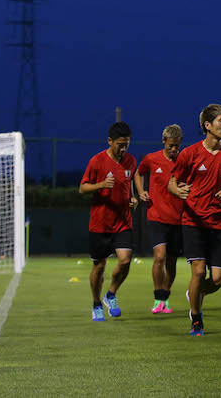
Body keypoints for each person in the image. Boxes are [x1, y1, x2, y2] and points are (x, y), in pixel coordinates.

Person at [169, 104, 221, 336]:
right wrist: (178, 191)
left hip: (219, 224)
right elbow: (172, 182)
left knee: (217, 279)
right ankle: (196, 319)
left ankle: (194, 293)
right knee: (198, 272)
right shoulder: (189, 153)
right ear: (207, 125)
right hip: (193, 222)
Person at [79, 122, 138, 322]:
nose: (123, 148)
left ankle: (110, 295)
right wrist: (102, 184)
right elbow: (82, 188)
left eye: (127, 144)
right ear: (110, 141)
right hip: (100, 223)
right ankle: (96, 304)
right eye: (120, 145)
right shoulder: (97, 161)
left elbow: (128, 184)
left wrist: (133, 198)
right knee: (99, 267)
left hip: (123, 222)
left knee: (125, 260)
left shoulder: (131, 161)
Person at [134, 124, 184, 314]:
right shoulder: (151, 159)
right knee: (160, 256)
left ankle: (165, 297)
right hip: (156, 216)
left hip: (178, 219)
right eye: (171, 145)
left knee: (171, 261)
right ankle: (157, 297)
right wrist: (141, 191)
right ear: (164, 141)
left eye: (177, 146)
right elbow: (138, 174)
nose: (174, 149)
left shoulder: (184, 161)